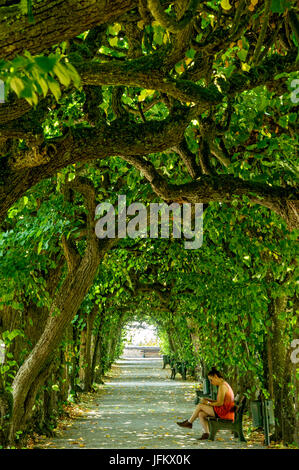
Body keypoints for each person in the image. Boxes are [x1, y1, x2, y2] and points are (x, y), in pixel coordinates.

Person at [176, 366, 235, 440]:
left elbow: (220, 403)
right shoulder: (223, 384)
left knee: (200, 406)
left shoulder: (222, 386)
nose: (211, 383)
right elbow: (220, 402)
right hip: (225, 411)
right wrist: (208, 401)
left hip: (224, 413)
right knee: (201, 414)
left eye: (211, 380)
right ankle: (206, 433)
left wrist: (208, 403)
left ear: (215, 376)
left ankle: (189, 422)